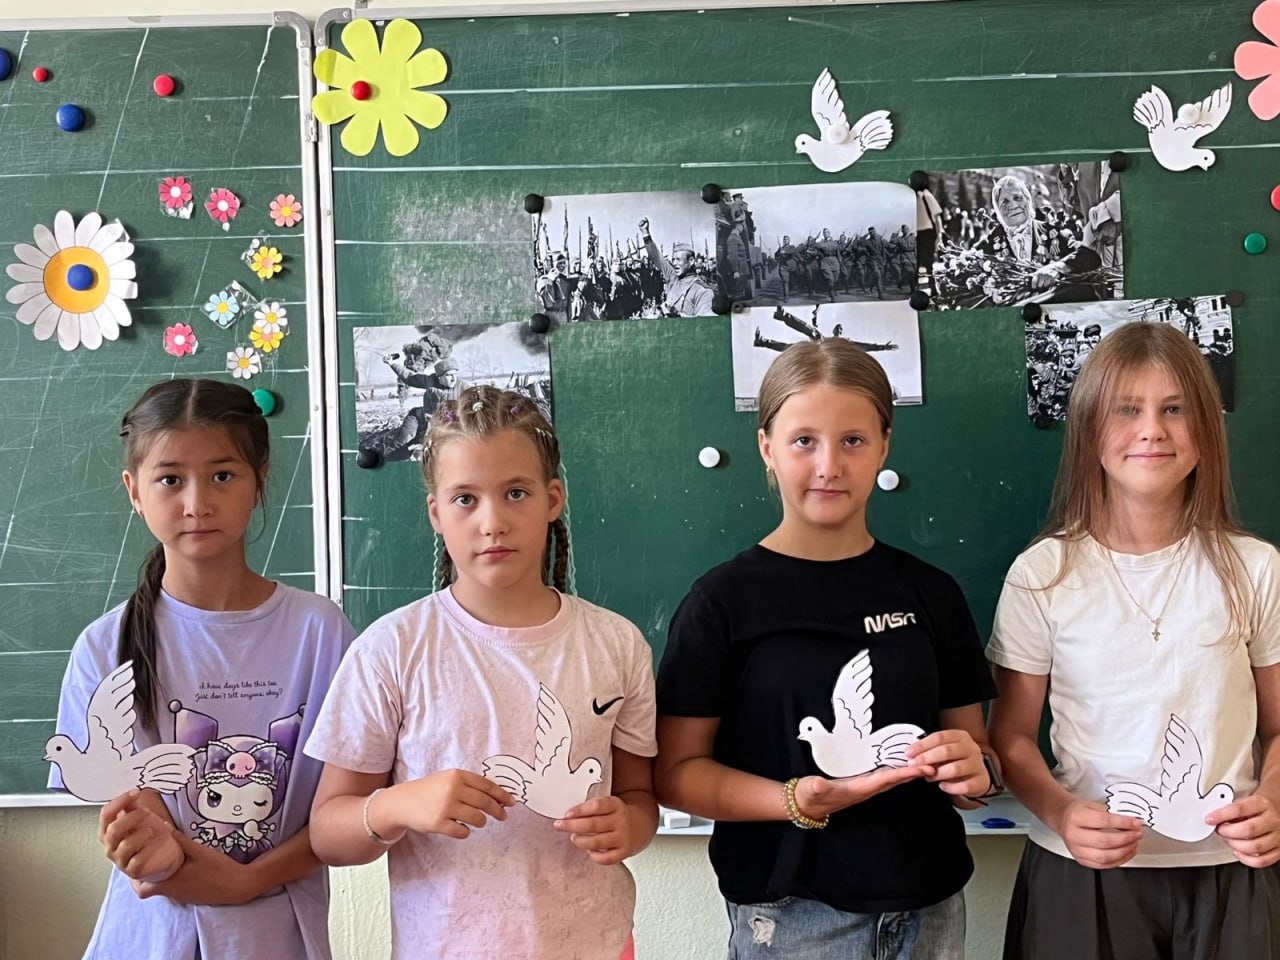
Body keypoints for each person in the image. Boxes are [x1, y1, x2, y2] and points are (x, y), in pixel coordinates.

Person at [655, 338, 998, 959]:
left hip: (930, 906)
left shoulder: (931, 593)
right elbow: (676, 774)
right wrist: (794, 800)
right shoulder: (721, 602)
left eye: (853, 440)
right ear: (767, 446)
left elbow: (978, 757)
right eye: (804, 441)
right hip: (791, 916)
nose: (829, 465)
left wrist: (975, 773)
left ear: (885, 445)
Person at [305, 386, 659, 960]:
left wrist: (631, 826)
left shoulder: (615, 644)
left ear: (552, 499)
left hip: (595, 943)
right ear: (436, 514)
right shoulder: (391, 650)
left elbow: (640, 797)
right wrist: (399, 805)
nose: (492, 522)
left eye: (515, 493)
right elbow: (328, 834)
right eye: (465, 499)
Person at [987, 321, 1280, 960]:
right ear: (1090, 429)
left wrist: (1274, 799)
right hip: (1083, 872)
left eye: (1174, 409)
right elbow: (1010, 737)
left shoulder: (1256, 568)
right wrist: (1062, 813)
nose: (1152, 430)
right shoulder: (1043, 573)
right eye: (1126, 409)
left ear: (1206, 429)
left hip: (1228, 868)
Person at [53, 378, 355, 960]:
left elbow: (340, 809)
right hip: (149, 942)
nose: (197, 503)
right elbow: (135, 819)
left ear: (260, 479)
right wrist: (151, 850)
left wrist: (248, 880)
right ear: (134, 490)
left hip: (278, 941)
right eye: (170, 479)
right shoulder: (103, 647)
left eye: (222, 475)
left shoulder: (321, 633)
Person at [385, 355, 463, 459]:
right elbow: (409, 377)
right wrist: (392, 363)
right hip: (419, 418)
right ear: (439, 377)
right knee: (403, 441)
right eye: (449, 375)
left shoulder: (463, 387)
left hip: (441, 424)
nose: (453, 378)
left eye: (455, 374)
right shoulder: (430, 381)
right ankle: (390, 460)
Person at [639, 218, 715, 317]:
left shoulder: (703, 291)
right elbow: (656, 257)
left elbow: (706, 323)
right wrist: (645, 233)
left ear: (691, 261)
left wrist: (678, 315)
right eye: (673, 259)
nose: (674, 263)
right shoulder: (673, 278)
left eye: (678, 260)